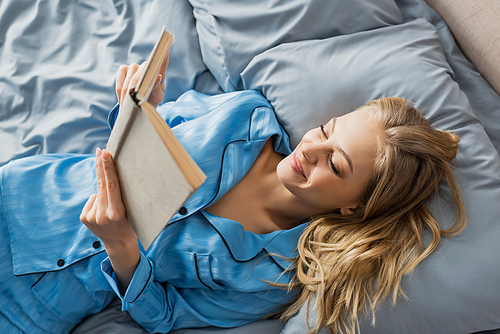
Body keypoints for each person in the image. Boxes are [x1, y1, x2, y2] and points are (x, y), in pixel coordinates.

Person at [0, 60, 465, 334]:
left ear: (354, 207)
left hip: (32, 307)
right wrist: (138, 107)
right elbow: (135, 144)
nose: (311, 149)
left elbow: (163, 316)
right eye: (325, 130)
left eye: (336, 165)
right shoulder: (244, 115)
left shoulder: (274, 276)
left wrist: (122, 247)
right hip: (21, 196)